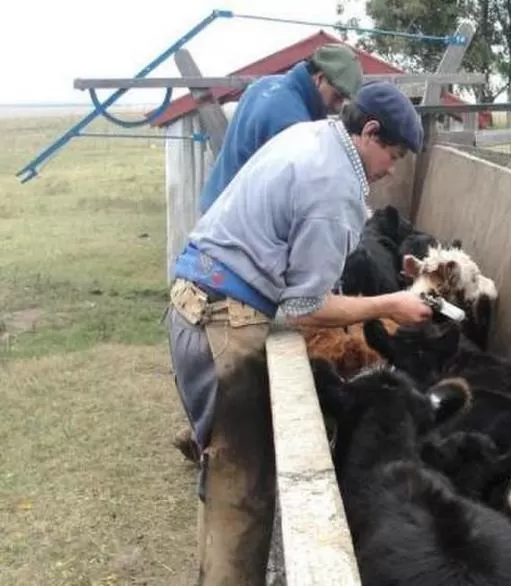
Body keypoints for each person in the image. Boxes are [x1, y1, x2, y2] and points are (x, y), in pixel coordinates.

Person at [164, 81, 432, 584]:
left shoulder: (312, 136)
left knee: (223, 476)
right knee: (243, 493)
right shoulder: (334, 185)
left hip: (193, 302)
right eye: (391, 153)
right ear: (369, 131)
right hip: (226, 321)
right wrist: (392, 302)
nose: (390, 168)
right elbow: (306, 307)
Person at [198, 43, 364, 215]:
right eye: (337, 96)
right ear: (319, 79)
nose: (338, 108)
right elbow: (291, 200)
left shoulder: (263, 85)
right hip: (235, 221)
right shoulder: (291, 124)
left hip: (216, 203)